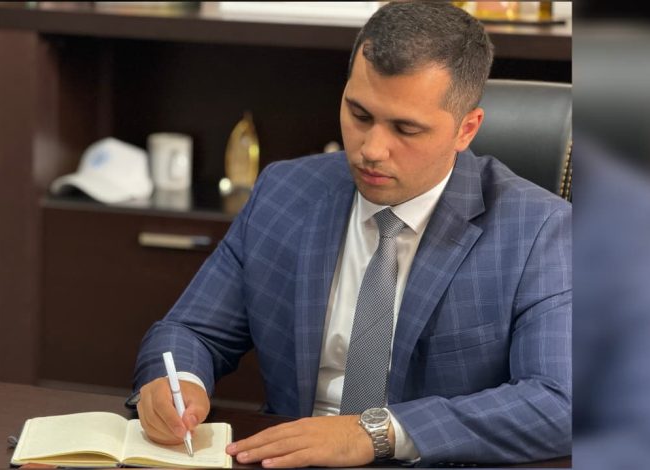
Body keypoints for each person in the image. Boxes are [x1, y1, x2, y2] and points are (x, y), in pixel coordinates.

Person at [132, 1, 571, 467]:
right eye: (359, 115)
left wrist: (375, 433)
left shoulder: (539, 230)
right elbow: (192, 330)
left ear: (466, 129)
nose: (371, 150)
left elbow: (561, 402)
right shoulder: (284, 192)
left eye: (405, 128)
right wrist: (176, 384)